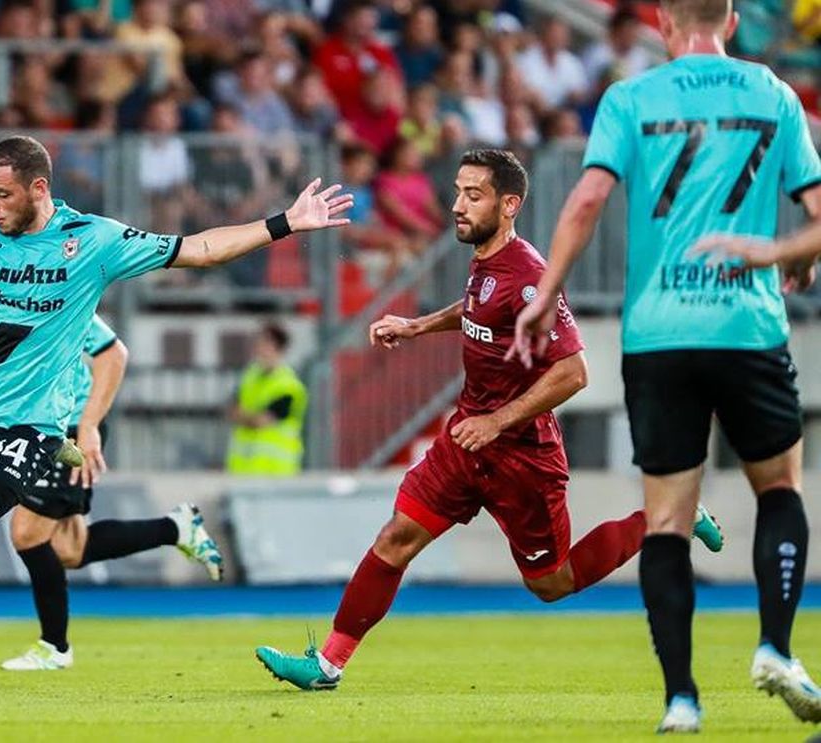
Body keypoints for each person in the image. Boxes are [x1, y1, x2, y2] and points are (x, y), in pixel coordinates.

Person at [0, 134, 352, 687]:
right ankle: (164, 531)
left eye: (2, 194)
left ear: (38, 188)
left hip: (30, 428)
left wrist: (284, 223)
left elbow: (199, 249)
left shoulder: (92, 241)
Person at [254, 148, 725, 695]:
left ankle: (673, 514)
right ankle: (328, 664)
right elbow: (477, 306)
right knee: (396, 539)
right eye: (457, 191)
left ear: (509, 205)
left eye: (472, 195)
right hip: (466, 440)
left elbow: (574, 372)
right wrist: (415, 325)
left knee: (553, 582)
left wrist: (499, 421)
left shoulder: (531, 277)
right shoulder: (486, 264)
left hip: (521, 453)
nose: (457, 205)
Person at [509, 0, 821, 732]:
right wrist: (782, 254)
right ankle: (776, 644)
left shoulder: (630, 98)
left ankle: (681, 698)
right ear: (734, 21)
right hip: (747, 325)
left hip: (657, 333)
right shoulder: (772, 92)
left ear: (662, 25)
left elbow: (587, 199)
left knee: (668, 519)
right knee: (779, 487)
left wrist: (543, 293)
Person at [0, 203, 221, 671]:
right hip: (18, 423)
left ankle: (56, 648)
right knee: (68, 549)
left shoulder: (39, 291)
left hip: (64, 420)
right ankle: (176, 527)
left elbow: (113, 352)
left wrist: (88, 426)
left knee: (27, 532)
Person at [226, 323, 308, 476]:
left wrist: (245, 416)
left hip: (276, 473)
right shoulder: (249, 377)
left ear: (278, 348)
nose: (258, 348)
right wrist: (250, 417)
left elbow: (262, 421)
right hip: (243, 472)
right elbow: (232, 412)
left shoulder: (288, 385)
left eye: (264, 343)